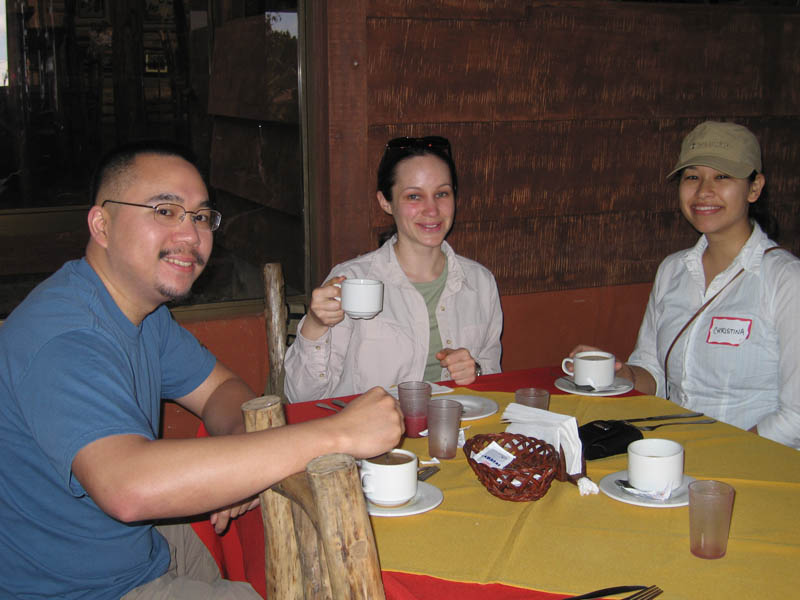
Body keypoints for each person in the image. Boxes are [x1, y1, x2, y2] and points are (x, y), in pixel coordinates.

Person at [0, 140, 404, 600]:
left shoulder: (144, 314)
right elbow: (127, 487)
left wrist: (243, 456)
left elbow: (223, 391)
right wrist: (338, 434)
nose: (191, 235)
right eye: (165, 211)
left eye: (200, 217)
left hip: (137, 548)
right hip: (78, 588)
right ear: (102, 224)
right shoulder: (66, 336)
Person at [570, 121, 800, 449]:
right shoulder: (673, 270)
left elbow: (796, 417)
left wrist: (725, 456)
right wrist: (618, 373)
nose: (704, 191)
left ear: (754, 188)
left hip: (754, 466)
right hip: (672, 455)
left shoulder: (786, 280)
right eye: (692, 177)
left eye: (722, 176)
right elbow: (651, 372)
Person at [284, 136, 503, 403]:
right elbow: (300, 397)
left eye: (442, 193)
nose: (432, 209)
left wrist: (475, 371)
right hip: (367, 438)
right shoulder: (351, 281)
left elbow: (494, 380)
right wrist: (315, 325)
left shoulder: (480, 283)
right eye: (414, 196)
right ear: (385, 202)